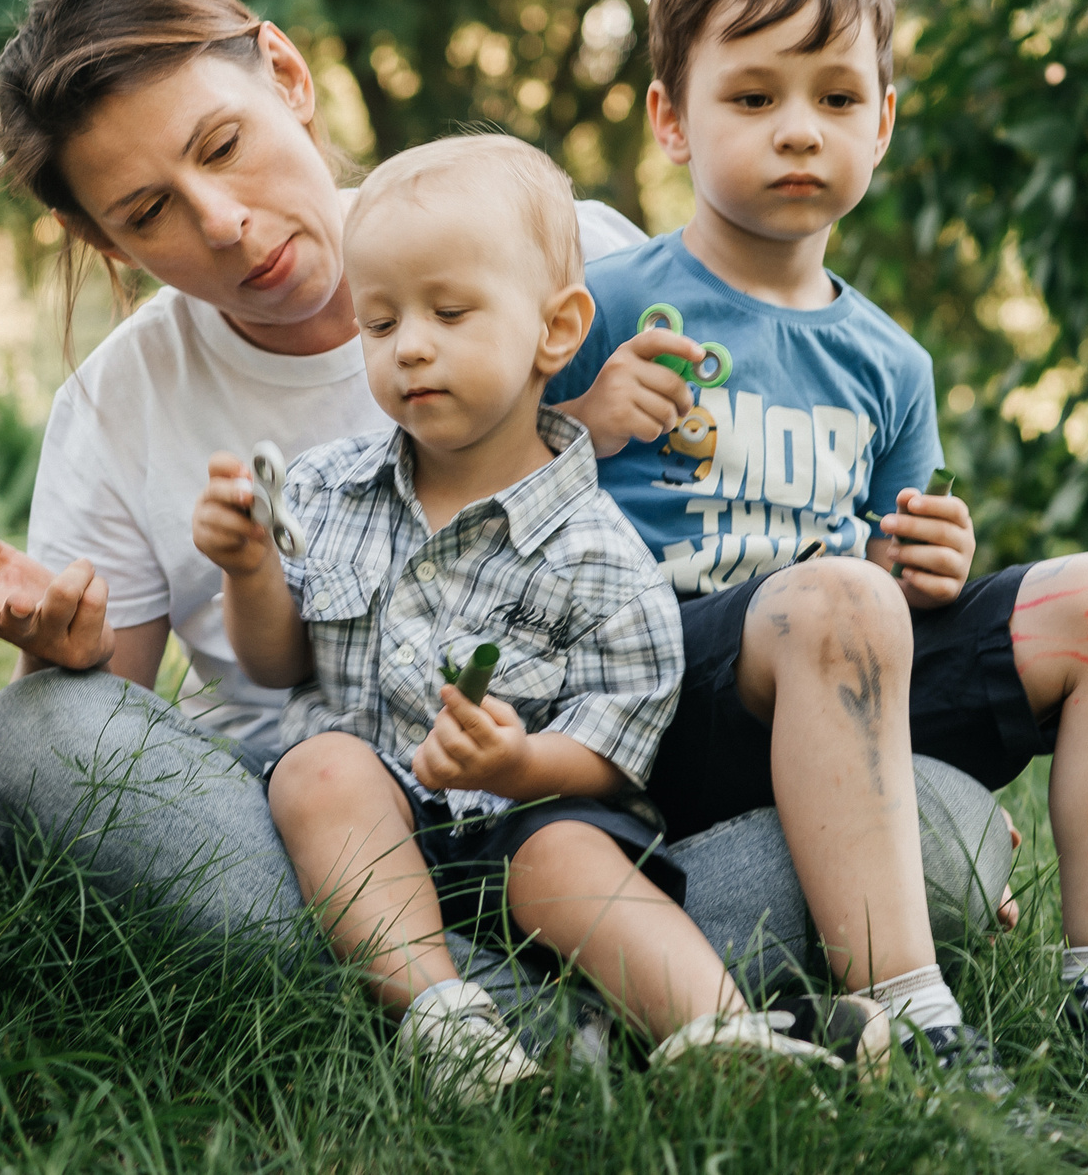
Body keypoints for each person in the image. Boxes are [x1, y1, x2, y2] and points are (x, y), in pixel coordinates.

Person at [0, 0, 1015, 1017]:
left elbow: (716, 579)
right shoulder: (117, 402)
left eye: (223, 146)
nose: (220, 220)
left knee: (944, 826)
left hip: (606, 829)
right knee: (35, 736)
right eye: (146, 212)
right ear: (99, 238)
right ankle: (561, 1002)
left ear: (287, 75)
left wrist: (869, 739)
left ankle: (459, 1011)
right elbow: (113, 751)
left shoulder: (569, 249)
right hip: (322, 851)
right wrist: (64, 655)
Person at [546, 0, 1088, 1104]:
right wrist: (579, 427)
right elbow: (464, 504)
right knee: (836, 599)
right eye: (751, 99)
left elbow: (880, 580)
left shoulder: (888, 361)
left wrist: (933, 560)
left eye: (837, 99)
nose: (799, 130)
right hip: (652, 702)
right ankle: (907, 1024)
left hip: (833, 688)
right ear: (669, 121)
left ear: (884, 122)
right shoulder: (597, 307)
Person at [195, 134, 833, 1097]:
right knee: (319, 766)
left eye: (449, 312)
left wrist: (516, 764)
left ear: (556, 329)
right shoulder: (327, 490)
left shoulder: (602, 551)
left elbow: (617, 742)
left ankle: (721, 1038)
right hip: (371, 833)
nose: (409, 344)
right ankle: (445, 1019)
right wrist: (249, 568)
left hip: (525, 824)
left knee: (569, 851)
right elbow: (282, 664)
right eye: (378, 323)